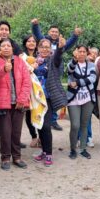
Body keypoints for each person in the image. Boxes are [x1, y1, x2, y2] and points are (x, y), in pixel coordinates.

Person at [31, 18, 82, 131]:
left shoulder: (61, 44)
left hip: (55, 73)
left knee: (54, 96)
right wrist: (35, 25)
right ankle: (42, 120)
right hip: (41, 75)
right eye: (52, 31)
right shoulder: (44, 41)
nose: (54, 33)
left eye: (56, 32)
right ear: (48, 33)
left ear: (58, 34)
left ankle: (53, 120)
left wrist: (75, 35)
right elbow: (37, 34)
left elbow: (69, 43)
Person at [0, 38, 31, 170]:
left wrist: (22, 99)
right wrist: (3, 69)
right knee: (5, 132)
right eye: (3, 46)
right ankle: (6, 157)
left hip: (18, 103)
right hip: (3, 103)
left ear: (13, 48)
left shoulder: (20, 62)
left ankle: (17, 156)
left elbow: (27, 82)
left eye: (9, 45)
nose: (6, 47)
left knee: (16, 132)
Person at [33, 37, 67, 166]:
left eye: (47, 47)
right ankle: (43, 151)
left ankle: (49, 154)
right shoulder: (34, 61)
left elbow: (58, 57)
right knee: (39, 125)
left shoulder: (53, 60)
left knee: (46, 126)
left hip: (48, 97)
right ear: (38, 48)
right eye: (42, 47)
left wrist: (59, 48)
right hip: (36, 98)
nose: (45, 49)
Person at [67, 45, 97, 159]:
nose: (82, 53)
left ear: (87, 53)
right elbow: (70, 71)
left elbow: (92, 79)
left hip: (88, 98)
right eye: (80, 51)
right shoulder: (72, 63)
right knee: (75, 125)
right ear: (76, 53)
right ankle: (73, 149)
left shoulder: (91, 65)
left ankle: (83, 148)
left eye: (84, 51)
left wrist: (77, 82)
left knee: (84, 124)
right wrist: (74, 60)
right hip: (73, 98)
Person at [20, 34, 44, 148]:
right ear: (25, 43)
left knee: (39, 111)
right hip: (27, 88)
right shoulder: (21, 56)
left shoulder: (40, 56)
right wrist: (32, 67)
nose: (31, 43)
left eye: (33, 41)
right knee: (29, 114)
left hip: (40, 89)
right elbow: (22, 71)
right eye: (29, 41)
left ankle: (41, 137)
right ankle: (34, 136)